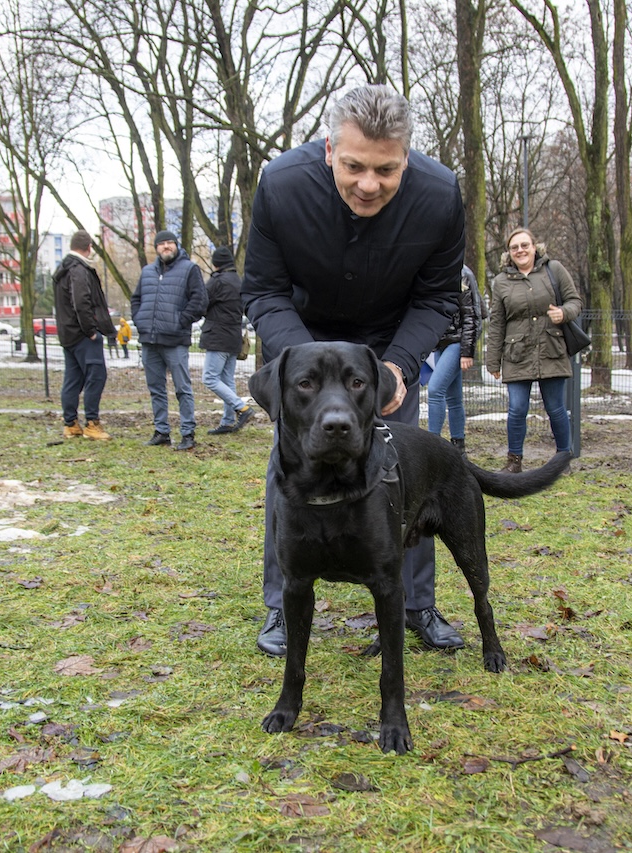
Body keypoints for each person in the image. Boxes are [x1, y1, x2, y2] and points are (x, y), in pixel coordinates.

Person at [242, 84, 466, 657]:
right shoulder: (281, 185)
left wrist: (396, 366)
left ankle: (415, 605)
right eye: (354, 166)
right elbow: (264, 291)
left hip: (386, 355)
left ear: (407, 158)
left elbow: (439, 297)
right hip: (303, 346)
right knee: (288, 479)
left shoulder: (440, 197)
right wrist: (301, 370)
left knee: (406, 479)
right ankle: (282, 608)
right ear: (327, 151)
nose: (369, 184)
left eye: (386, 169)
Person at [484, 227, 582, 472]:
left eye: (524, 245)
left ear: (535, 247)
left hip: (551, 348)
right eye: (514, 247)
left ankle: (563, 461)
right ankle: (514, 462)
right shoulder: (501, 282)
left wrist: (564, 313)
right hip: (517, 353)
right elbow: (496, 323)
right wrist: (492, 361)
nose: (520, 250)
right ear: (509, 253)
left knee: (556, 408)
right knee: (517, 408)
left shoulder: (554, 270)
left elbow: (575, 302)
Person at [131, 229, 207, 451]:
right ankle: (161, 431)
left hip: (175, 340)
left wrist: (180, 321)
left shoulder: (189, 269)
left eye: (170, 243)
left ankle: (187, 433)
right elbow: (136, 299)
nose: (166, 247)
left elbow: (200, 300)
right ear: (155, 248)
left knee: (182, 388)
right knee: (156, 388)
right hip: (149, 340)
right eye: (161, 243)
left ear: (177, 245)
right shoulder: (147, 272)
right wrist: (140, 320)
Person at [54, 229, 116, 441]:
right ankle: (92, 423)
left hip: (68, 334)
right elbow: (81, 302)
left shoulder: (63, 268)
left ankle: (71, 424)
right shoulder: (79, 269)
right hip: (83, 335)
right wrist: (90, 330)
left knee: (72, 379)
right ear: (89, 247)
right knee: (96, 376)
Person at [201, 245, 255, 435]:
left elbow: (202, 302)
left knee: (209, 377)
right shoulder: (238, 281)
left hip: (218, 336)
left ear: (215, 264)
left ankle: (242, 408)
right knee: (226, 380)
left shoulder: (217, 281)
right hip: (234, 337)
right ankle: (227, 421)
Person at [426, 264, 480, 456]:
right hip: (441, 342)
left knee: (434, 390)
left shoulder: (462, 273)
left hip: (457, 342)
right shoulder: (431, 271)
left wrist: (467, 352)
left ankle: (431, 447)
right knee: (454, 399)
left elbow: (471, 315)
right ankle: (459, 450)